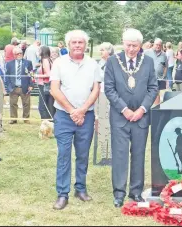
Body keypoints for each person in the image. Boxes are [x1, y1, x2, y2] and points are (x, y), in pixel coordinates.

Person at [104, 28, 158, 208]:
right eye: (128, 45)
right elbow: (109, 89)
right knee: (119, 155)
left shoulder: (149, 62)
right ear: (123, 43)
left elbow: (153, 88)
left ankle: (136, 191)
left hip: (141, 118)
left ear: (140, 45)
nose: (131, 49)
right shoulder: (112, 61)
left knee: (138, 154)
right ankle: (119, 193)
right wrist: (124, 109)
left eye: (135, 46)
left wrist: (142, 109)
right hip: (120, 117)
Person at [49, 30, 102, 210]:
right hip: (64, 116)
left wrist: (83, 110)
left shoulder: (93, 64)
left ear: (85, 45)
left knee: (82, 155)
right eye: (74, 42)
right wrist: (73, 111)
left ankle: (80, 189)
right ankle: (62, 194)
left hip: (86, 117)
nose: (78, 45)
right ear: (68, 44)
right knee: (64, 155)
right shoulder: (58, 63)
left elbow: (96, 90)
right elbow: (54, 89)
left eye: (81, 42)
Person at [4, 47, 34, 124]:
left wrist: (31, 85)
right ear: (14, 55)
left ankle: (26, 118)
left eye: (21, 53)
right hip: (13, 88)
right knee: (13, 104)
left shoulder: (28, 63)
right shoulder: (9, 64)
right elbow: (6, 76)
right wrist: (9, 86)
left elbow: (32, 75)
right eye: (18, 53)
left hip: (25, 87)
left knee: (26, 104)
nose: (20, 54)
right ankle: (13, 119)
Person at [144, 38, 167, 105]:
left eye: (159, 45)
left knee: (157, 94)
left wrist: (164, 76)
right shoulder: (147, 52)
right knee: (148, 93)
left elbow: (165, 66)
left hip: (159, 78)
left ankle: (156, 108)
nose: (158, 46)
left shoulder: (164, 55)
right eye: (156, 44)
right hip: (148, 78)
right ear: (153, 44)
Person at [37, 46, 55, 120]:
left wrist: (37, 75)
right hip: (48, 85)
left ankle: (46, 123)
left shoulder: (45, 60)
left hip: (45, 85)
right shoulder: (49, 60)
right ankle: (50, 121)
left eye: (39, 50)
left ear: (42, 51)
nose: (38, 52)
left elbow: (48, 74)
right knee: (49, 105)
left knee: (42, 107)